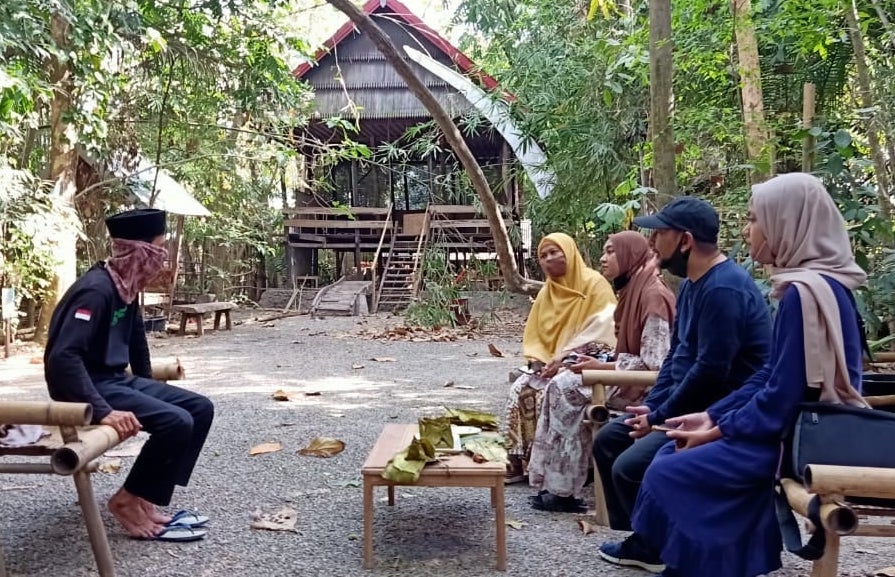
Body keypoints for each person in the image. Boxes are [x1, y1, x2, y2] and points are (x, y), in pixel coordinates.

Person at [629, 173, 868, 577]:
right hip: (788, 426)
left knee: (671, 469)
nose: (747, 229)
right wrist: (714, 416)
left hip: (798, 438)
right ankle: (712, 563)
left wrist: (717, 430)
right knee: (672, 454)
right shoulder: (813, 286)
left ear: (788, 224)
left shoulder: (804, 294)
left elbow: (782, 397)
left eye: (756, 219)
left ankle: (702, 566)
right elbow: (771, 376)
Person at [594, 197, 772, 572]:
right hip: (688, 403)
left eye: (660, 233)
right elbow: (677, 357)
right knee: (609, 439)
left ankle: (660, 544)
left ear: (686, 241)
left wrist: (660, 416)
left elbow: (711, 372)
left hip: (721, 409)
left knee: (629, 465)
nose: (654, 242)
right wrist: (651, 409)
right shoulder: (693, 284)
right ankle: (649, 539)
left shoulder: (724, 289)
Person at [44, 208, 215, 542]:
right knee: (175, 422)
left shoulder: (125, 286)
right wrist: (104, 411)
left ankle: (142, 496)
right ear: (141, 251)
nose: (163, 257)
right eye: (159, 248)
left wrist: (150, 389)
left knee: (199, 409)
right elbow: (62, 359)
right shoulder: (96, 290)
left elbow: (137, 344)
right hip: (84, 386)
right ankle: (124, 502)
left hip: (112, 380)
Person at [526, 231, 675, 511]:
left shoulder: (652, 295)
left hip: (647, 388)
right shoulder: (634, 289)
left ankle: (563, 490)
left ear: (630, 255)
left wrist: (604, 368)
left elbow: (657, 363)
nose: (603, 259)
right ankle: (552, 483)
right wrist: (596, 365)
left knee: (563, 389)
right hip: (623, 374)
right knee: (556, 383)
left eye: (610, 252)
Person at [502, 233, 616, 490]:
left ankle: (560, 465)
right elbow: (536, 335)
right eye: (543, 255)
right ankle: (519, 459)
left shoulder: (594, 285)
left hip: (584, 363)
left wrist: (564, 360)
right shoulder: (547, 292)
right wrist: (540, 362)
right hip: (550, 365)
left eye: (555, 251)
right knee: (521, 387)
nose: (549, 258)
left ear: (570, 252)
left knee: (550, 395)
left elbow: (603, 333)